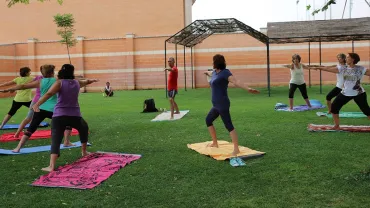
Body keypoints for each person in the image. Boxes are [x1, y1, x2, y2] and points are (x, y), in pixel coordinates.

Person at [32, 64, 98, 172]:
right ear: (72, 72)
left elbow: (49, 94)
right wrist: (92, 80)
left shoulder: (59, 83)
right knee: (84, 128)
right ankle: (84, 151)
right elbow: (86, 82)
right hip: (75, 115)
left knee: (56, 138)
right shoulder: (77, 82)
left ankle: (51, 166)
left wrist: (37, 104)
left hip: (59, 116)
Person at [3, 65, 74, 152]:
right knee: (68, 123)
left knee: (31, 128)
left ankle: (18, 148)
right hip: (54, 109)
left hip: (40, 108)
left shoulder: (40, 81)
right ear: (52, 72)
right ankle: (66, 142)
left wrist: (9, 89)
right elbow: (72, 82)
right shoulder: (58, 81)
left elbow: (23, 86)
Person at [205, 54, 259, 156]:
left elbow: (235, 81)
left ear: (217, 62)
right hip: (216, 105)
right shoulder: (215, 73)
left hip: (223, 103)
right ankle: (215, 143)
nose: (212, 63)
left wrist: (248, 89)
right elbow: (210, 73)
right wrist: (206, 73)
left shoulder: (225, 73)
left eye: (213, 61)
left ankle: (236, 149)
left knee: (228, 125)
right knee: (208, 120)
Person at [312, 53, 370, 129]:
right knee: (334, 107)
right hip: (345, 92)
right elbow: (329, 69)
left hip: (359, 93)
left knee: (366, 111)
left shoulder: (360, 69)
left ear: (353, 59)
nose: (346, 59)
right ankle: (336, 125)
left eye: (348, 57)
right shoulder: (343, 68)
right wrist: (319, 68)